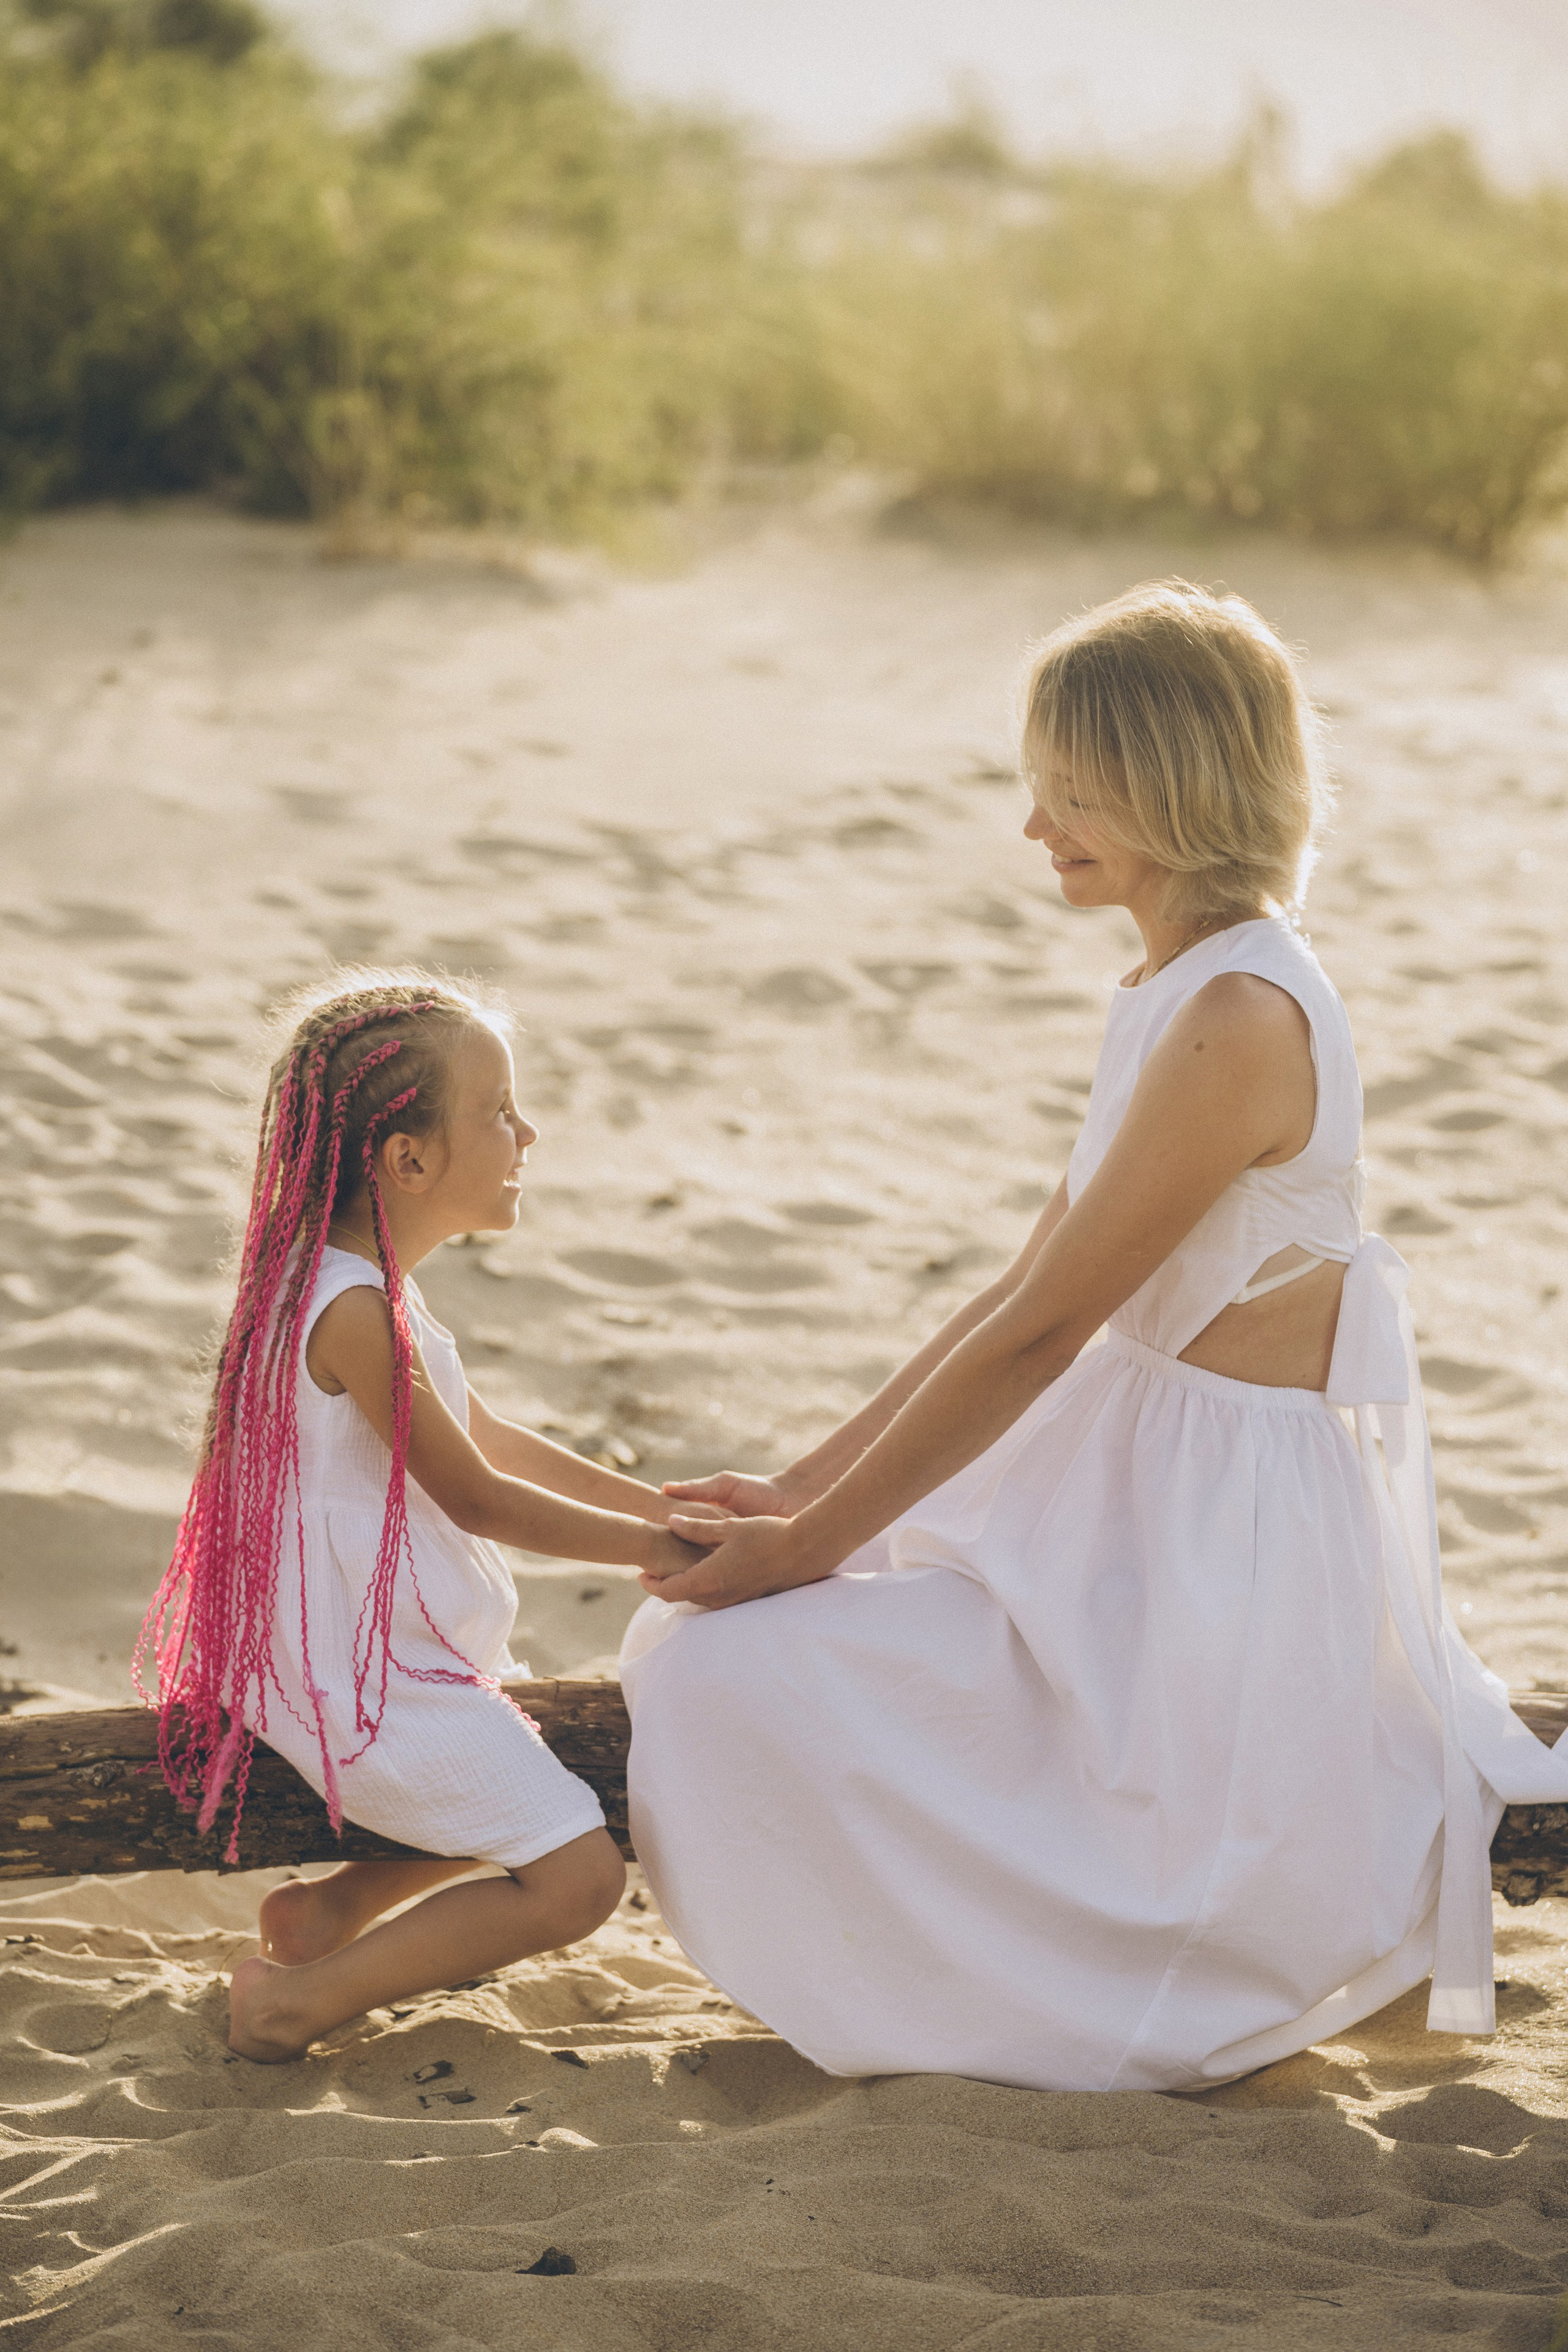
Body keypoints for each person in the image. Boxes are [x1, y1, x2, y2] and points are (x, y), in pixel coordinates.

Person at [622, 579, 1568, 2094]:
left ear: (1169, 792)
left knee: (729, 1670)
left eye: (1070, 795)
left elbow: (1044, 1331)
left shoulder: (1240, 1018)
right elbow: (1014, 1292)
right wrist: (797, 1493)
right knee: (701, 1656)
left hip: (1210, 1553)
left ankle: (1047, 2002)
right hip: (1121, 1489)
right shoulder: (1170, 988)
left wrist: (808, 1552)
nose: (1034, 829)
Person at [136, 975, 702, 2062]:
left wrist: (669, 1507)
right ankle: (295, 2002)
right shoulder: (348, 1309)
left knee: (529, 1782)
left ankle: (327, 1918)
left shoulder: (355, 1282)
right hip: (349, 1679)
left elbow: (487, 1436)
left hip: (360, 1652)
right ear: (409, 1161)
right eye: (499, 1111)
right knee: (578, 1877)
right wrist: (660, 1554)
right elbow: (478, 1495)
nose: (527, 1132)